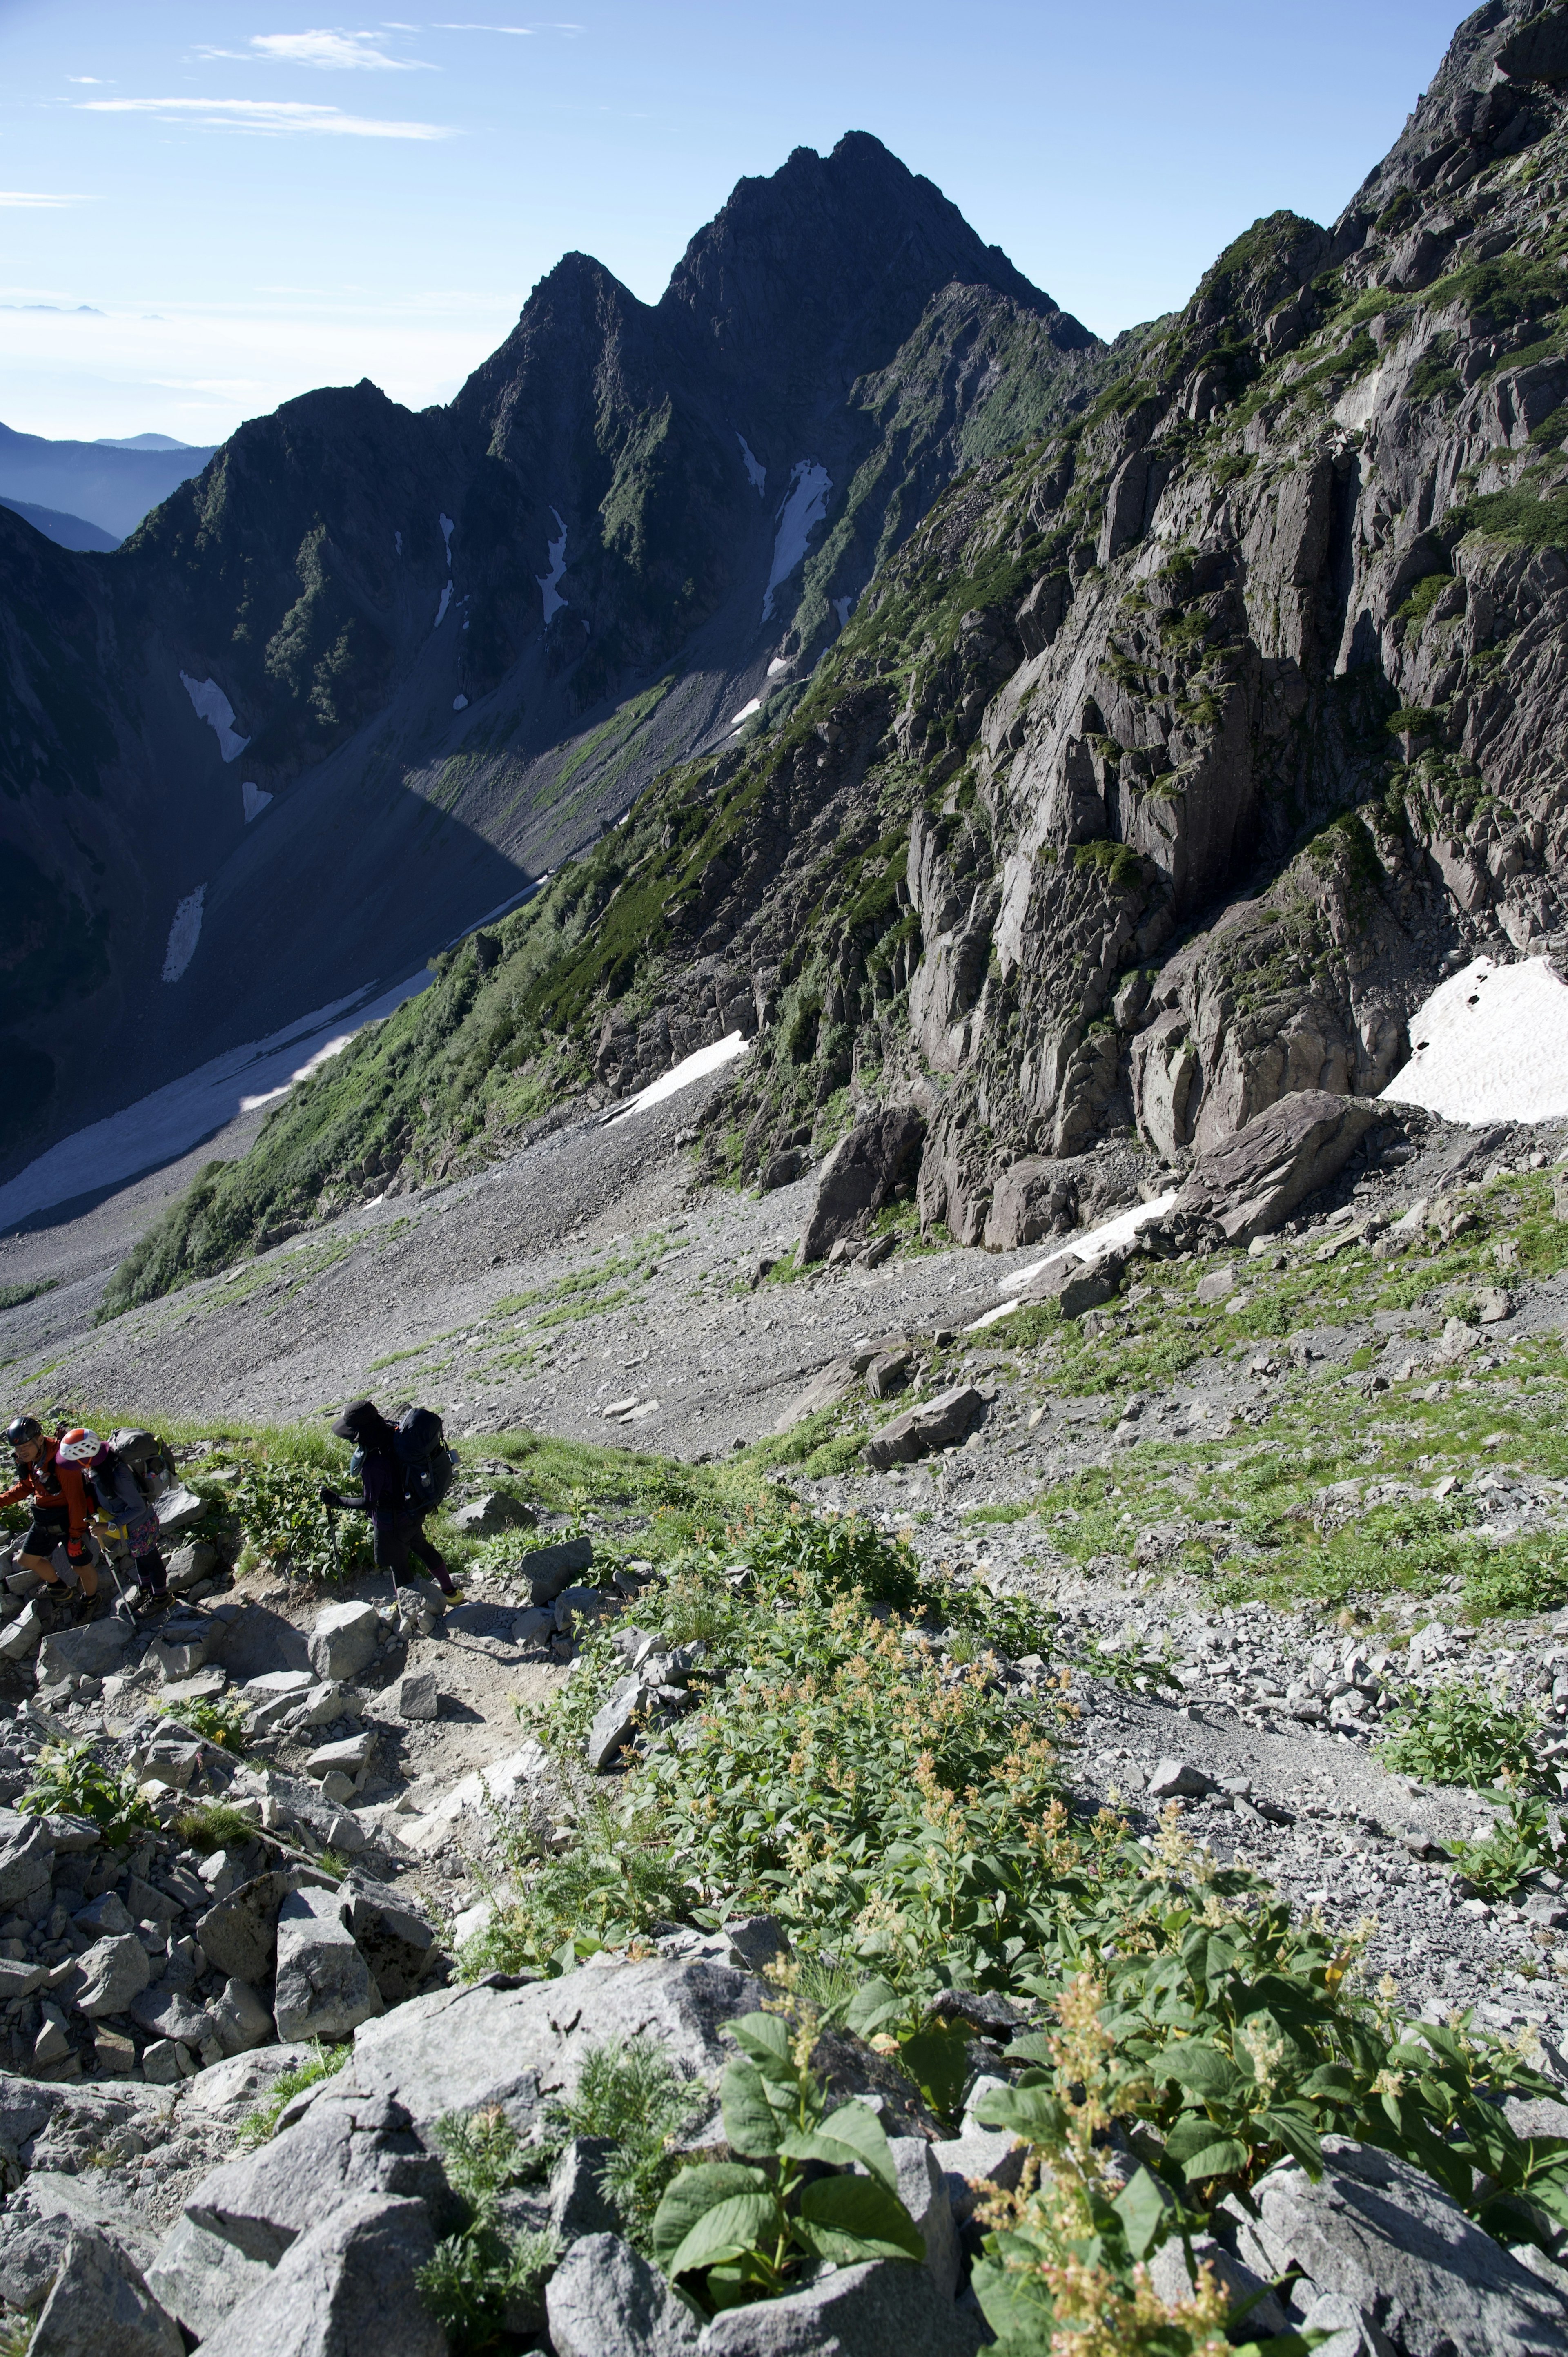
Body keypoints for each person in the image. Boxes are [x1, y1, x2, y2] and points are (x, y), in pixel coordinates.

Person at [320, 1399, 461, 1599]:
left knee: (398, 1565)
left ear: (358, 1434)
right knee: (420, 1546)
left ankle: (411, 1613)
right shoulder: (394, 1432)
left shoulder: (373, 1464)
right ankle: (451, 1592)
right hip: (413, 1509)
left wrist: (336, 1500)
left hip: (392, 1522)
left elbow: (369, 1503)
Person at [56, 1429, 169, 1613]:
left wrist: (109, 1526)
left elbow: (138, 1507)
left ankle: (161, 1597)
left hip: (141, 1525)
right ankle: (146, 1590)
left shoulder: (117, 1475)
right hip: (132, 1527)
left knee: (151, 1561)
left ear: (85, 1459)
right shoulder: (98, 1469)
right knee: (139, 1557)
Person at [0, 1416, 101, 1618]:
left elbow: (77, 1501)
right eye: (18, 1449)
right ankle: (58, 1588)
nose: (21, 1453)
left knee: (80, 1566)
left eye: (25, 1447)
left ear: (39, 1439)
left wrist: (75, 1536)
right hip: (45, 1517)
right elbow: (28, 1486)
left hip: (70, 1518)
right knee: (26, 1560)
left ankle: (91, 1598)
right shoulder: (32, 1459)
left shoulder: (60, 1461)